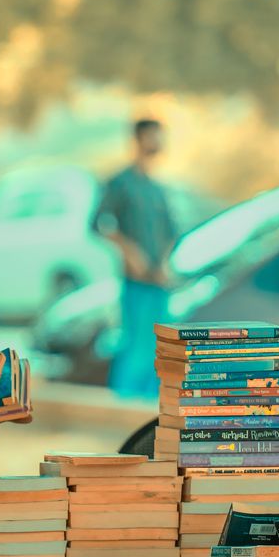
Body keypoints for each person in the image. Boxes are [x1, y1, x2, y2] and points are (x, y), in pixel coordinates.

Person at [95, 118, 178, 398]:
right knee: (133, 345)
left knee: (161, 348)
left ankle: (150, 410)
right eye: (152, 136)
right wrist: (129, 251)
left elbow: (171, 233)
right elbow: (97, 223)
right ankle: (122, 405)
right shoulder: (120, 183)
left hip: (159, 283)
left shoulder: (158, 189)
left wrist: (164, 263)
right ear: (139, 139)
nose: (157, 143)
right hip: (135, 282)